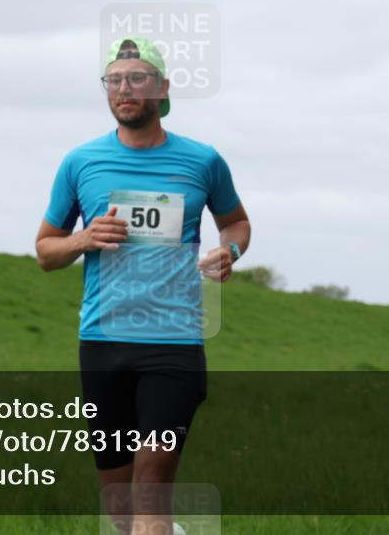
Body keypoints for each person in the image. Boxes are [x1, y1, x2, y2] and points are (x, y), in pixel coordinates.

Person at [35, 36, 250, 535]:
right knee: (118, 508)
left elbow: (236, 222)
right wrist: (83, 239)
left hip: (173, 342)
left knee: (150, 495)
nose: (124, 88)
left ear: (163, 88)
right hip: (103, 342)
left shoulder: (202, 161)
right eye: (114, 80)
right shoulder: (80, 163)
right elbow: (46, 250)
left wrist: (230, 251)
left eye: (137, 79)